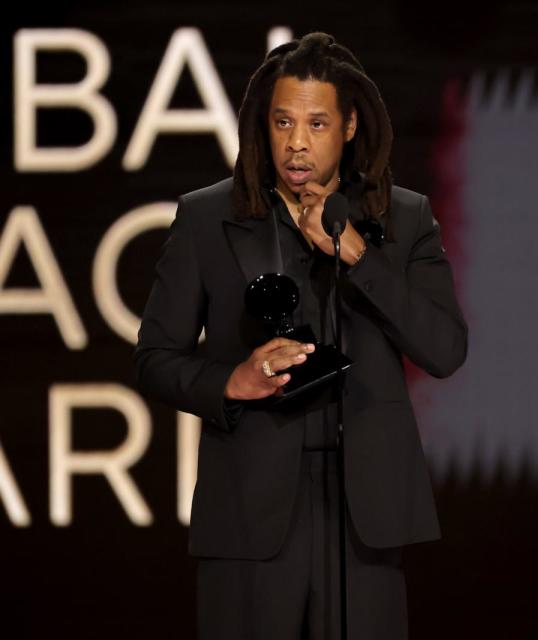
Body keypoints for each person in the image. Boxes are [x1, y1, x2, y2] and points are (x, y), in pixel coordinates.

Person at [135, 32, 467, 639]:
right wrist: (230, 381)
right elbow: (155, 358)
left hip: (365, 511)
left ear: (348, 127)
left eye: (316, 123)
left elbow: (444, 349)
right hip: (250, 514)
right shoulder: (210, 217)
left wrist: (359, 257)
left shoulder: (404, 217)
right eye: (283, 121)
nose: (296, 141)